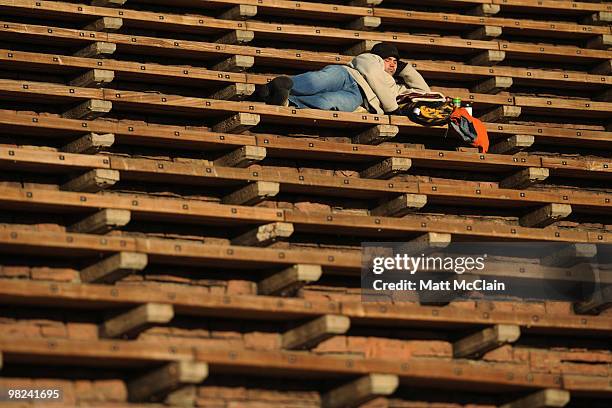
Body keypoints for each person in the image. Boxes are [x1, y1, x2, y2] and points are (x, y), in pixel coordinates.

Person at [256, 43, 432, 115]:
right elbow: (372, 73)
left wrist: (406, 69)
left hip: (360, 97)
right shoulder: (369, 59)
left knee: (328, 103)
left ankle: (285, 100)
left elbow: (425, 92)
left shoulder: (396, 87)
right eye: (388, 60)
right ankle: (276, 86)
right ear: (379, 58)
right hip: (347, 75)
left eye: (396, 62)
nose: (393, 64)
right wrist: (392, 108)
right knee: (317, 81)